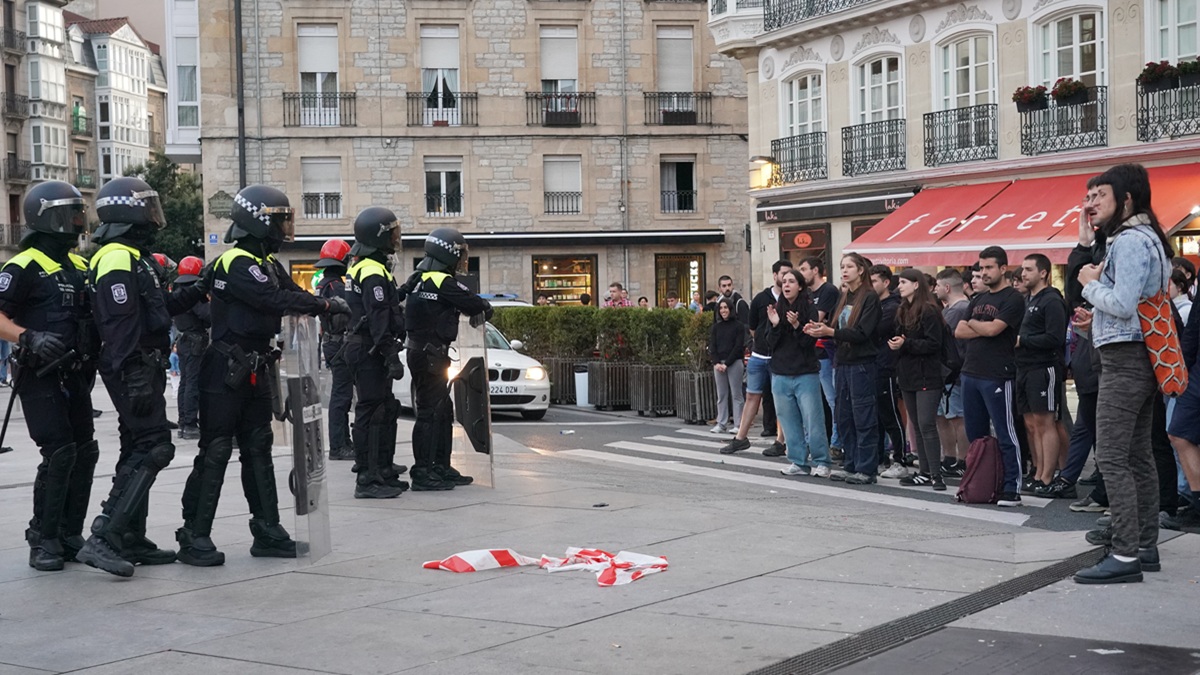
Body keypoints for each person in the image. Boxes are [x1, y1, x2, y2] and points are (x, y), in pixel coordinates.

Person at [175, 185, 350, 567]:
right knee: (217, 449)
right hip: (225, 369)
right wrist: (324, 303)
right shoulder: (237, 262)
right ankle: (194, 534)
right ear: (258, 221)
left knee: (258, 446)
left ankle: (267, 530)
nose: (284, 227)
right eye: (279, 219)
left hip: (254, 368)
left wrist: (322, 304)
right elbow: (274, 300)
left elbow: (288, 291)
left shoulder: (265, 263)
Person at [75, 177, 207, 577]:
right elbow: (119, 323)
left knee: (137, 444)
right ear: (127, 213)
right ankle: (104, 536)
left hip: (141, 363)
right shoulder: (115, 256)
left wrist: (200, 287)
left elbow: (159, 309)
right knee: (154, 447)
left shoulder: (134, 257)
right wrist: (132, 371)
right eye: (148, 208)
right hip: (132, 365)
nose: (154, 217)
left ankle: (131, 537)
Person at [1074, 164, 1172, 584]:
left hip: (1126, 361)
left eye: (1100, 195)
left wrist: (1089, 284)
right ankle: (1145, 546)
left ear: (1126, 199)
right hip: (1139, 355)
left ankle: (1126, 555)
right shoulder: (1146, 237)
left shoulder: (1131, 240)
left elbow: (1124, 302)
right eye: (1090, 196)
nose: (1091, 203)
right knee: (1137, 456)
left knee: (1113, 456)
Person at [0, 181, 99, 571]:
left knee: (85, 452)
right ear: (46, 218)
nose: (77, 221)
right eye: (70, 214)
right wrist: (29, 336)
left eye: (80, 212)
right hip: (40, 373)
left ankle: (71, 533)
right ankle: (43, 538)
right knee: (59, 452)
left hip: (78, 373)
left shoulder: (80, 265)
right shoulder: (21, 266)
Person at [402, 228, 493, 490]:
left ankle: (440, 466)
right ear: (448, 253)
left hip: (424, 353)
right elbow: (476, 304)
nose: (462, 260)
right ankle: (423, 472)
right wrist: (486, 309)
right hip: (430, 355)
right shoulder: (442, 281)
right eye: (460, 254)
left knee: (442, 412)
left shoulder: (419, 278)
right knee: (430, 413)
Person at [343, 208, 411, 498]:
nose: (396, 238)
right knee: (370, 413)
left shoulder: (372, 266)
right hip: (369, 348)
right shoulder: (370, 270)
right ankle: (367, 479)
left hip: (369, 347)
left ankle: (381, 470)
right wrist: (390, 355)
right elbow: (377, 317)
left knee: (383, 409)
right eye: (392, 233)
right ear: (378, 236)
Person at [955, 246, 1025, 507]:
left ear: (1003, 268)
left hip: (997, 375)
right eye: (981, 268)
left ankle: (1011, 488)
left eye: (988, 268)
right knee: (976, 436)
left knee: (1006, 433)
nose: (983, 273)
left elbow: (996, 330)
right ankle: (982, 483)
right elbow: (959, 331)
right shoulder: (977, 299)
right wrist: (980, 327)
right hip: (970, 373)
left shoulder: (1012, 298)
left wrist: (978, 325)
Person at [804, 253, 881, 485]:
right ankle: (851, 464)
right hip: (843, 362)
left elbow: (861, 333)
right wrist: (821, 328)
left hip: (862, 364)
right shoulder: (845, 295)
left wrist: (830, 332)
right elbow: (837, 326)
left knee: (863, 416)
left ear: (861, 270)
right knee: (844, 415)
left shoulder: (869, 297)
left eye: (849, 266)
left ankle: (867, 469)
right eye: (842, 267)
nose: (844, 271)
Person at [719, 260, 790, 456]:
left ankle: (780, 440)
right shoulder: (761, 298)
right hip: (760, 354)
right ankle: (741, 438)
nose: (786, 279)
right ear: (775, 275)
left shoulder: (791, 299)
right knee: (752, 395)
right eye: (783, 274)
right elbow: (751, 327)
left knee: (780, 398)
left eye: (789, 275)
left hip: (779, 355)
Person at [889, 269, 947, 491]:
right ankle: (924, 471)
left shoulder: (930, 310)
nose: (900, 286)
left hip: (927, 374)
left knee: (926, 423)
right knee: (916, 424)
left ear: (916, 285)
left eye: (903, 282)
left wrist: (906, 344)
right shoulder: (903, 309)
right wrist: (897, 344)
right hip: (907, 374)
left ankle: (935, 474)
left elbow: (934, 344)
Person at [768, 269, 829, 477]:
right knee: (788, 420)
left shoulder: (809, 309)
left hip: (805, 372)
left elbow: (807, 343)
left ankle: (822, 461)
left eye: (791, 281)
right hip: (780, 373)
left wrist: (796, 325)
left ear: (800, 286)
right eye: (783, 282)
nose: (786, 285)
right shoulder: (776, 309)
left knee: (813, 419)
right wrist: (776, 325)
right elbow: (770, 344)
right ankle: (798, 461)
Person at [1016, 253, 1068, 493]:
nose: (1023, 274)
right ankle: (1037, 472)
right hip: (1024, 367)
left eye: (1028, 269)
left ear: (1043, 273)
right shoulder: (1028, 299)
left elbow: (1055, 338)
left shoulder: (1052, 300)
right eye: (1023, 269)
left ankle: (1048, 476)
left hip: (1044, 367)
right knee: (1030, 423)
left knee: (1045, 422)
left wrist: (1022, 340)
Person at [314, 238, 354, 461]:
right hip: (339, 343)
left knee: (341, 394)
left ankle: (343, 441)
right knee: (342, 396)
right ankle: (339, 445)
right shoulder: (337, 287)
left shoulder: (323, 284)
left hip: (331, 342)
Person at [798, 256, 841, 454]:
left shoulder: (828, 290)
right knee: (813, 401)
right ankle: (813, 440)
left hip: (826, 351)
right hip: (811, 352)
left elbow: (816, 318)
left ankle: (836, 442)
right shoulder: (806, 293)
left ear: (815, 270)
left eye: (804, 268)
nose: (801, 273)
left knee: (833, 399)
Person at [870, 265, 907, 477]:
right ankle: (879, 456)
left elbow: (874, 331)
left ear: (885, 283)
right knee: (877, 416)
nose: (871, 285)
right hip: (874, 365)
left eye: (874, 281)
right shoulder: (874, 304)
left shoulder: (891, 307)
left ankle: (900, 459)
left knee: (890, 414)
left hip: (886, 365)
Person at [934, 269, 969, 477]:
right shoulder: (950, 309)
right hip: (945, 372)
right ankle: (949, 457)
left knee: (957, 417)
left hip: (954, 372)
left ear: (947, 287)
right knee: (943, 416)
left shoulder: (958, 310)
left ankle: (962, 460)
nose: (936, 290)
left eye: (938, 286)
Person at [171, 256, 209, 441]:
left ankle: (184, 422)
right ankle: (191, 423)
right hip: (195, 340)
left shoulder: (178, 290)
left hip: (184, 339)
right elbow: (206, 315)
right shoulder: (192, 293)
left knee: (185, 382)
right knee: (193, 383)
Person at [709, 297, 745, 435]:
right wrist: (717, 362)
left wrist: (727, 363)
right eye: (721, 308)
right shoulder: (716, 327)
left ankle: (738, 423)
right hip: (719, 364)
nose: (723, 311)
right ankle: (721, 423)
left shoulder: (738, 326)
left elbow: (738, 346)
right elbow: (713, 346)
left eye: (726, 308)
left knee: (736, 394)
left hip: (734, 362)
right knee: (721, 394)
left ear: (731, 309)